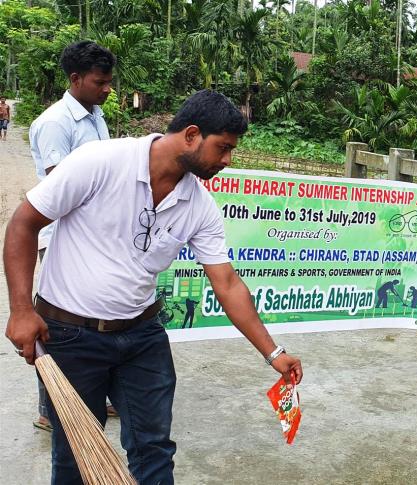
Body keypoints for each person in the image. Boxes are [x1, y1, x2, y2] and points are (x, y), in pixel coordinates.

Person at [4, 89, 303, 484]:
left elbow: (228, 284)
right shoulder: (100, 162)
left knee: (154, 449)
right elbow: (23, 225)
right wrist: (21, 310)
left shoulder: (199, 206)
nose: (228, 160)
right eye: (224, 147)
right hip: (70, 335)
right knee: (77, 454)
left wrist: (273, 353)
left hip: (141, 337)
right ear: (192, 135)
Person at [28, 40, 115, 433]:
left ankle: (93, 392)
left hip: (94, 235)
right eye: (100, 82)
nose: (107, 89)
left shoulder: (95, 116)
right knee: (61, 320)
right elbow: (61, 185)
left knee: (95, 317)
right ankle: (50, 407)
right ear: (75, 78)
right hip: (62, 235)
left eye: (110, 82)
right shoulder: (55, 123)